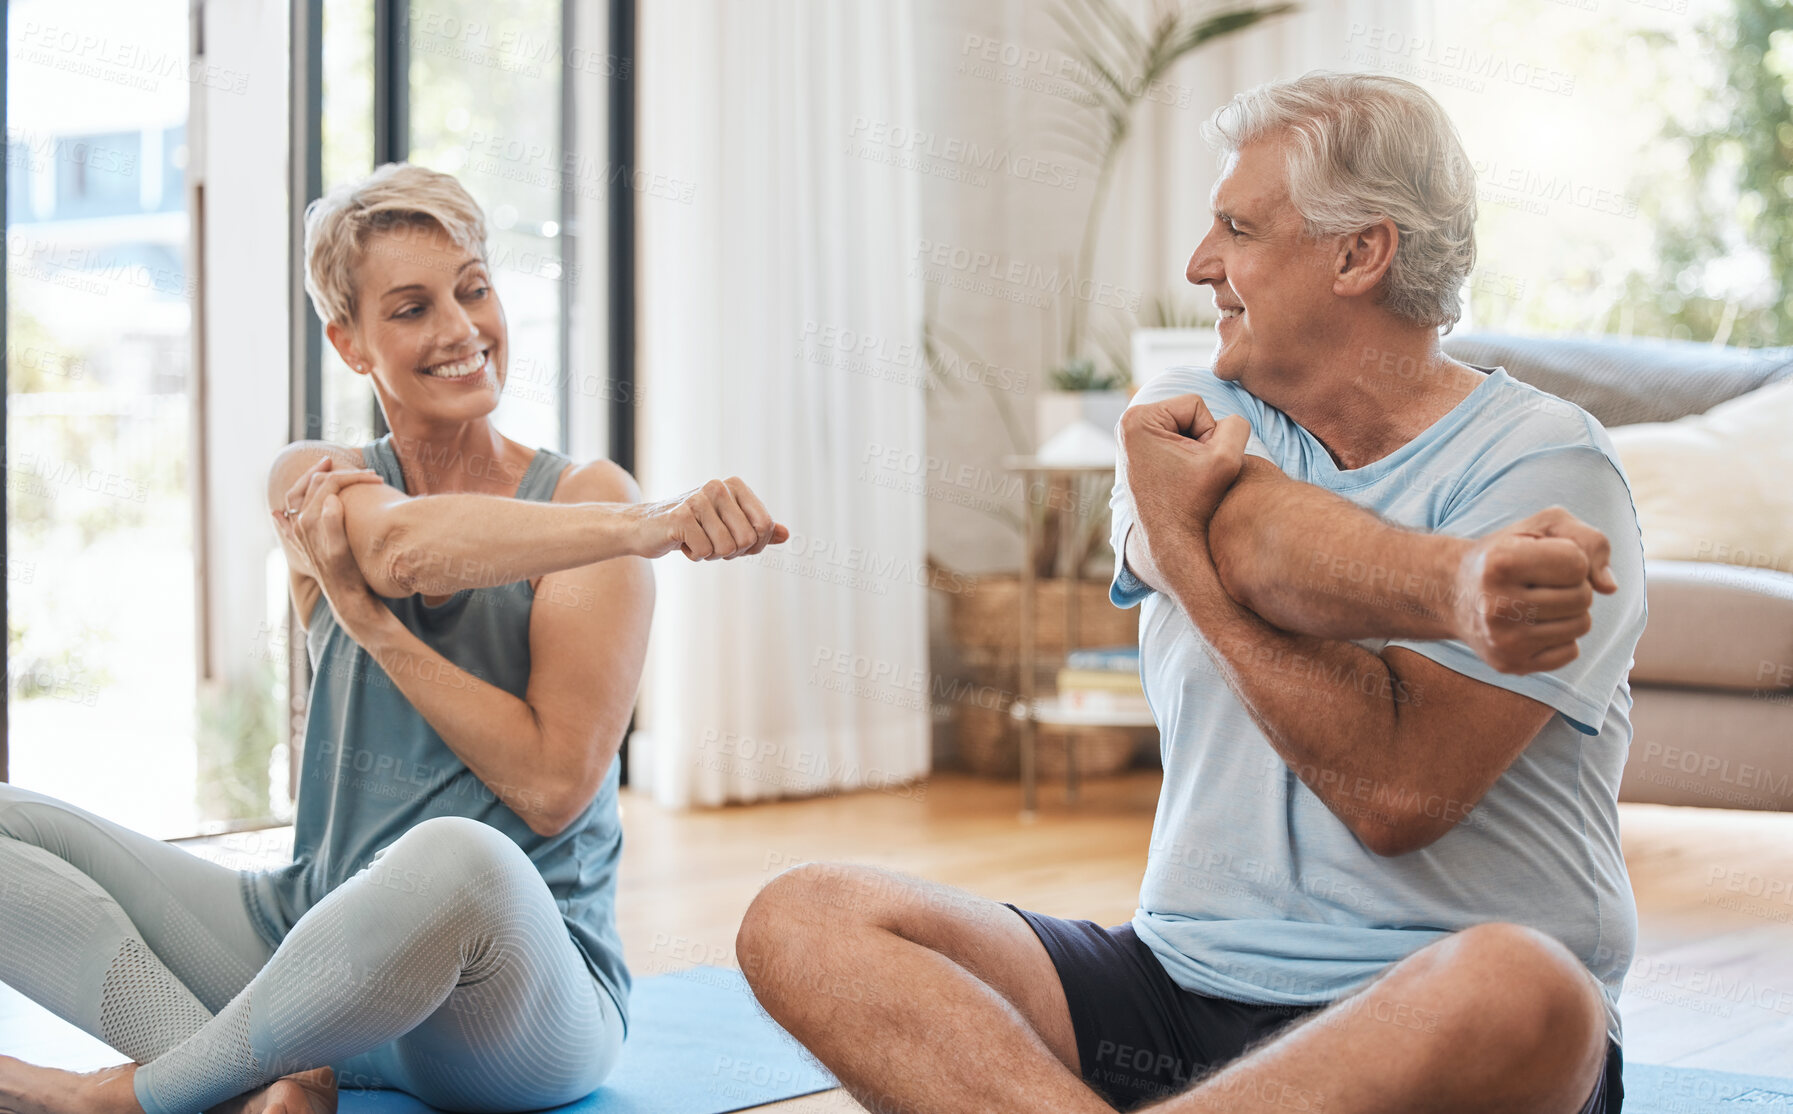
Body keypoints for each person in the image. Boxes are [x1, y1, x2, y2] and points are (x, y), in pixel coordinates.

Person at [737, 72, 1642, 1114]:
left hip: (1427, 1018)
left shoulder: (1550, 465)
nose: (1198, 264)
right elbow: (1256, 543)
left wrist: (1184, 561)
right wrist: (1452, 579)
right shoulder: (1195, 404)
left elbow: (1394, 796)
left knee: (1528, 990)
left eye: (1235, 227)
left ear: (1358, 253)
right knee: (805, 919)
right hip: (1176, 987)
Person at [0, 162, 788, 1114]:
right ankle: (262, 1085)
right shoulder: (317, 475)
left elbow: (549, 788)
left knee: (455, 857)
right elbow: (407, 550)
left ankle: (132, 1099)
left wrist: (374, 631)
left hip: (508, 1003)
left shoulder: (586, 501)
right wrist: (650, 529)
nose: (460, 330)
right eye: (412, 308)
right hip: (308, 950)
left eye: (474, 288)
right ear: (350, 342)